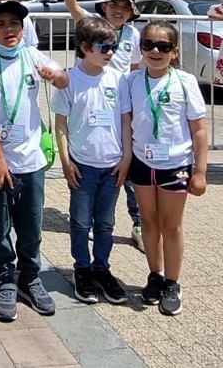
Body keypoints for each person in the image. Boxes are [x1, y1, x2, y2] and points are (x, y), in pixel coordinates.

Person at [0, 0, 68, 322]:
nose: (9, 30)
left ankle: (30, 277)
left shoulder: (32, 55)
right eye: (0, 25)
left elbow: (65, 80)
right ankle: (3, 279)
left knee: (31, 225)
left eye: (14, 23)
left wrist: (54, 76)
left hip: (30, 160)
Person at [57, 0, 145, 251]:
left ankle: (137, 221)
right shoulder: (94, 28)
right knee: (94, 161)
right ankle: (89, 230)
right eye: (114, 4)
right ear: (105, 7)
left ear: (131, 12)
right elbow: (72, 7)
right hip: (91, 97)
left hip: (120, 102)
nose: (119, 10)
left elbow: (133, 70)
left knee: (126, 163)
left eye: (125, 6)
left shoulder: (133, 35)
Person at [121, 21, 208, 316]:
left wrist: (200, 172)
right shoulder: (131, 81)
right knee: (148, 221)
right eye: (149, 45)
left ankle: (173, 282)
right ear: (140, 49)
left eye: (163, 46)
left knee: (171, 225)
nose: (155, 51)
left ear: (174, 51)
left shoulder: (184, 81)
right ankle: (155, 275)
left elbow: (198, 130)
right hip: (142, 163)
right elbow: (126, 123)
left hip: (176, 165)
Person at [52, 16, 130, 306]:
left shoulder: (118, 79)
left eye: (114, 47)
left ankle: (102, 267)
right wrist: (65, 160)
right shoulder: (69, 79)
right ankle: (82, 269)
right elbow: (60, 123)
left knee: (106, 222)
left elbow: (125, 120)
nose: (110, 53)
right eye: (104, 47)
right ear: (85, 47)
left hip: (112, 164)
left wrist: (126, 157)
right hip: (82, 164)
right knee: (81, 221)